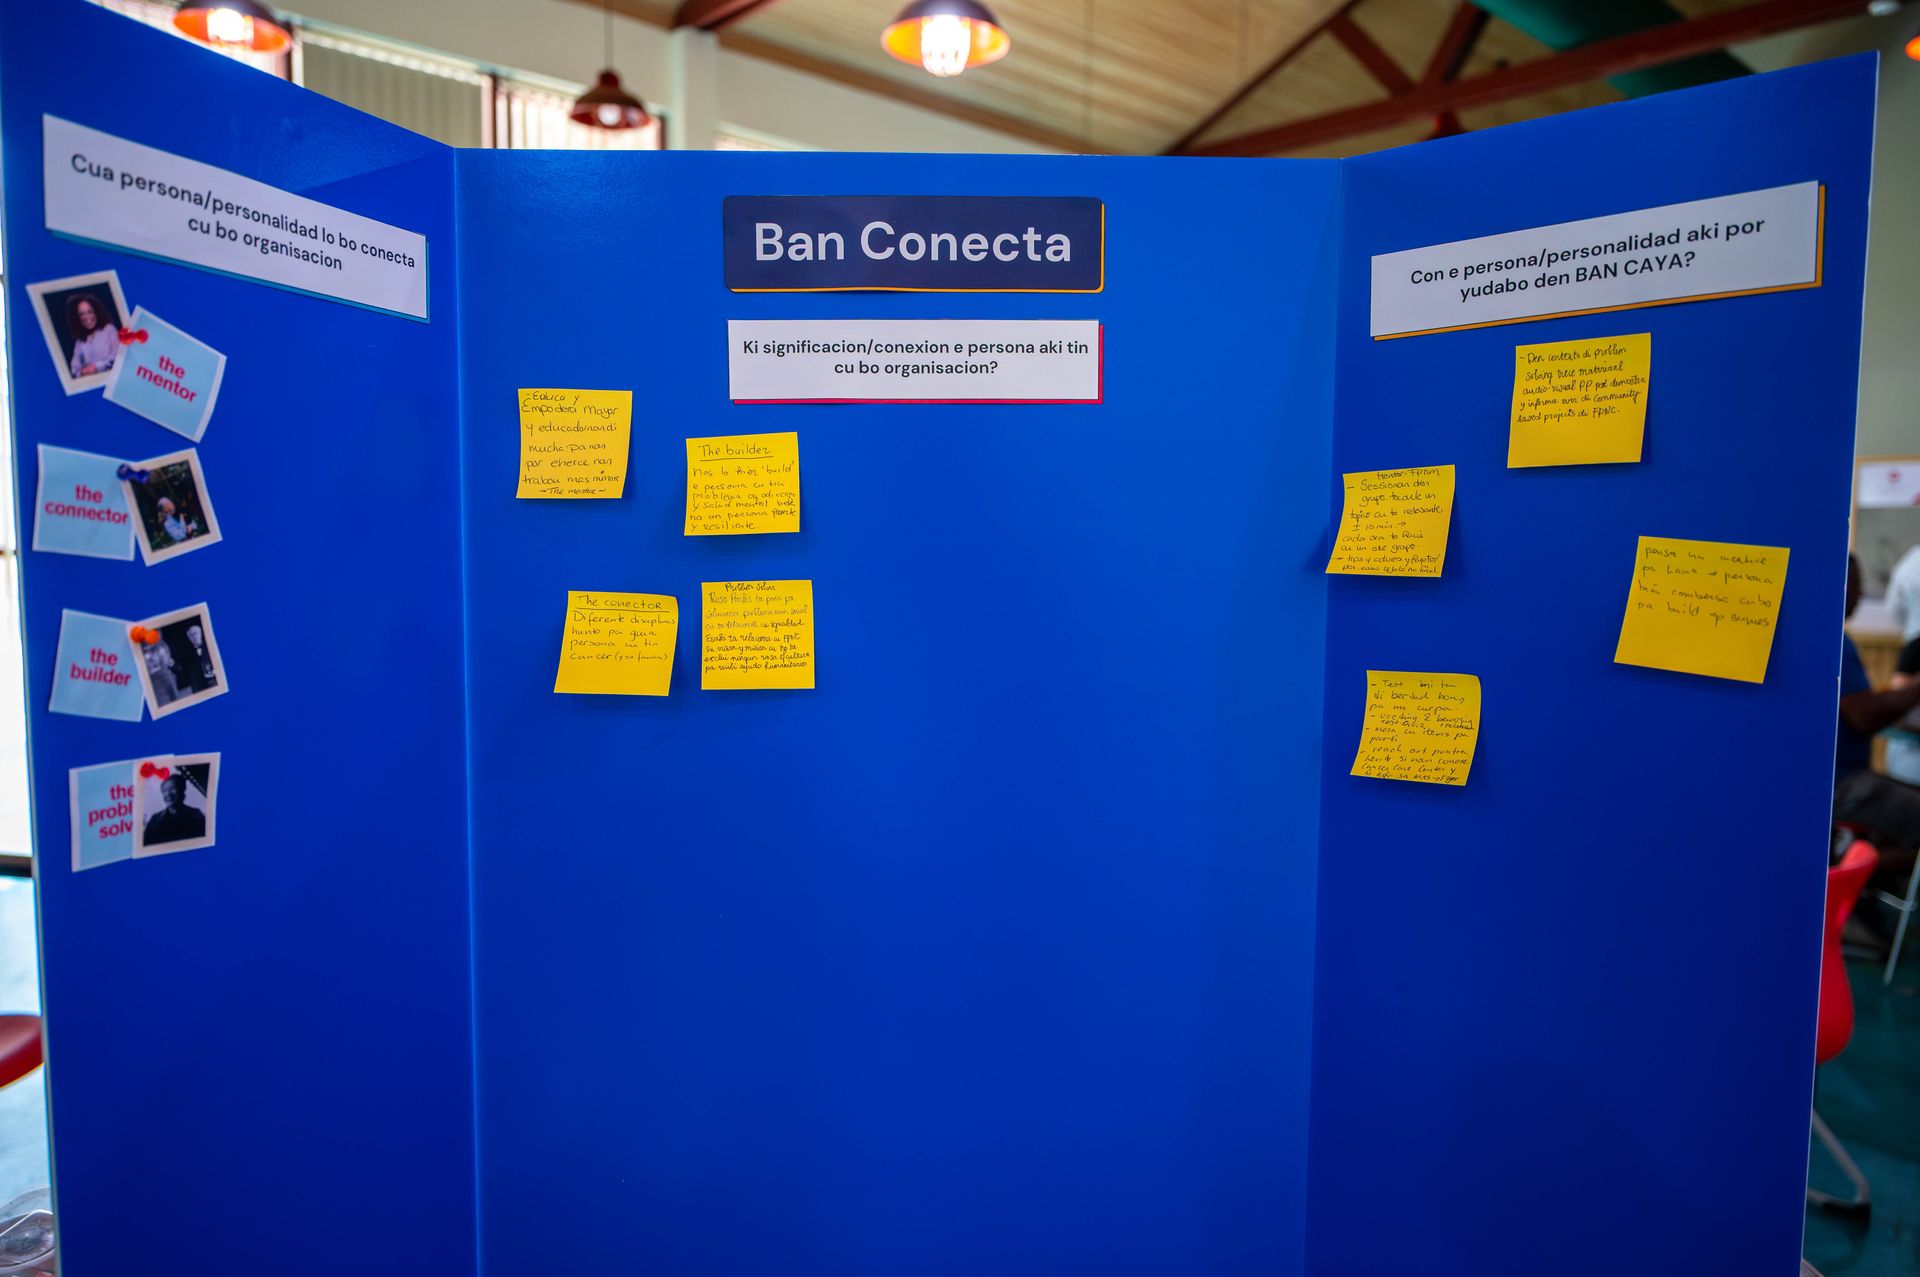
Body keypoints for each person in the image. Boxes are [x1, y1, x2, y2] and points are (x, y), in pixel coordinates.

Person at [1834, 555, 1920, 887]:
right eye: (1856, 585)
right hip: (1842, 782)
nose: (1860, 594)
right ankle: (1838, 877)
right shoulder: (1834, 642)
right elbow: (1863, 715)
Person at [64, 293, 118, 379]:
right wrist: (81, 373)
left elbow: (117, 357)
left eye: (90, 312)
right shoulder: (79, 342)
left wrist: (96, 367)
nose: (86, 317)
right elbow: (74, 368)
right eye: (82, 314)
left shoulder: (109, 329)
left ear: (97, 312)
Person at [142, 773, 205, 846]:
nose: (168, 794)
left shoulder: (196, 815)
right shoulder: (155, 819)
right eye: (164, 791)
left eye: (172, 788)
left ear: (182, 791)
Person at [142, 639, 180, 706]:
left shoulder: (160, 645)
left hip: (167, 676)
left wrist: (174, 666)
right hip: (155, 681)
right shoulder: (141, 651)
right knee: (163, 705)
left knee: (177, 702)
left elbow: (168, 660)